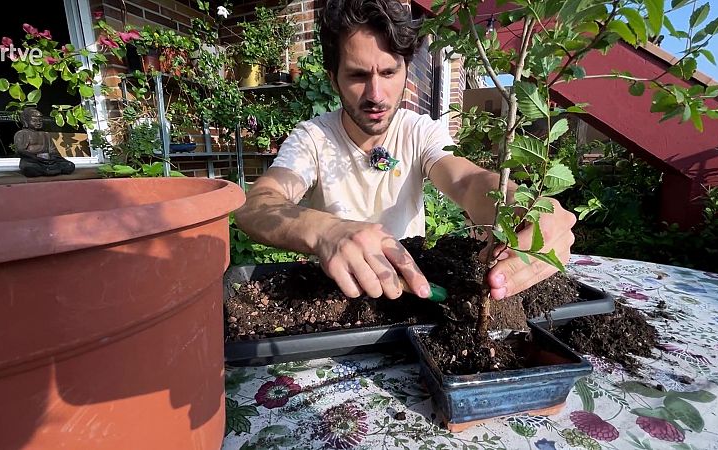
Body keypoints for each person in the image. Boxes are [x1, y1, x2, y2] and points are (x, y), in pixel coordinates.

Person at [234, 0, 576, 302]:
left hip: (412, 292)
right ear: (333, 78)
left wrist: (524, 208)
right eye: (357, 75)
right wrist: (328, 231)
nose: (376, 94)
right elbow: (258, 206)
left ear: (406, 70)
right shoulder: (312, 139)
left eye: (388, 72)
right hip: (337, 291)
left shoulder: (418, 132)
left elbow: (466, 181)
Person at [14, 107, 76, 177]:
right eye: (34, 121)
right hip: (33, 160)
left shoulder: (45, 134)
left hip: (49, 161)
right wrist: (36, 157)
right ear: (26, 121)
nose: (38, 123)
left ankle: (47, 170)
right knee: (30, 168)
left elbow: (53, 150)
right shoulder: (22, 134)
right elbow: (21, 151)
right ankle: (47, 170)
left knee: (69, 165)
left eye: (40, 121)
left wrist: (51, 157)